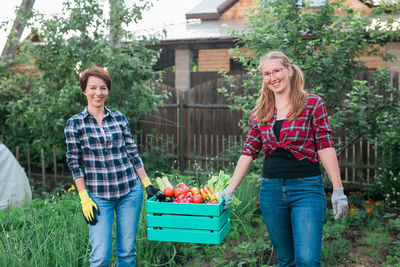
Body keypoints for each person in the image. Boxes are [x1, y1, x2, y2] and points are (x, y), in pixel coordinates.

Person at [221, 51, 348, 266]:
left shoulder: (312, 104)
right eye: (266, 74)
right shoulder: (260, 111)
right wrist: (230, 188)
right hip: (271, 191)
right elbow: (249, 151)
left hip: (306, 188)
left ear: (289, 71)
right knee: (286, 260)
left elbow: (325, 146)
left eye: (277, 71)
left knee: (307, 261)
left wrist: (338, 189)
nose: (272, 78)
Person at [64, 66, 162, 267]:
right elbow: (74, 162)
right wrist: (84, 197)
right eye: (92, 88)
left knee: (127, 252)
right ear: (84, 90)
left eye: (103, 88)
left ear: (108, 90)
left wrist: (146, 183)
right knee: (100, 256)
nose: (98, 93)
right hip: (99, 197)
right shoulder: (75, 124)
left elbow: (132, 153)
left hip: (129, 192)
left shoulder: (119, 118)